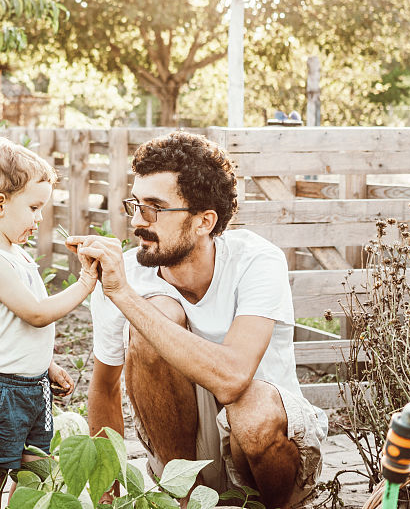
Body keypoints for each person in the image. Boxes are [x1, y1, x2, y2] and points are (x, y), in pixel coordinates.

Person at [72, 132, 327, 509]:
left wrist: (124, 296)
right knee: (156, 315)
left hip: (265, 444)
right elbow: (105, 387)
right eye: (135, 204)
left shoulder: (257, 260)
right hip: (181, 451)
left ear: (204, 221)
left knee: (251, 409)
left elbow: (233, 379)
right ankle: (183, 500)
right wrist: (108, 495)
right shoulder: (124, 273)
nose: (138, 221)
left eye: (154, 207)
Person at [0, 138, 99, 506]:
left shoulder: (15, 254)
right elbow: (36, 314)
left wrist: (46, 364)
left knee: (36, 469)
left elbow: (13, 326)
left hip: (32, 388)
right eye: (34, 207)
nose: (39, 218)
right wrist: (85, 283)